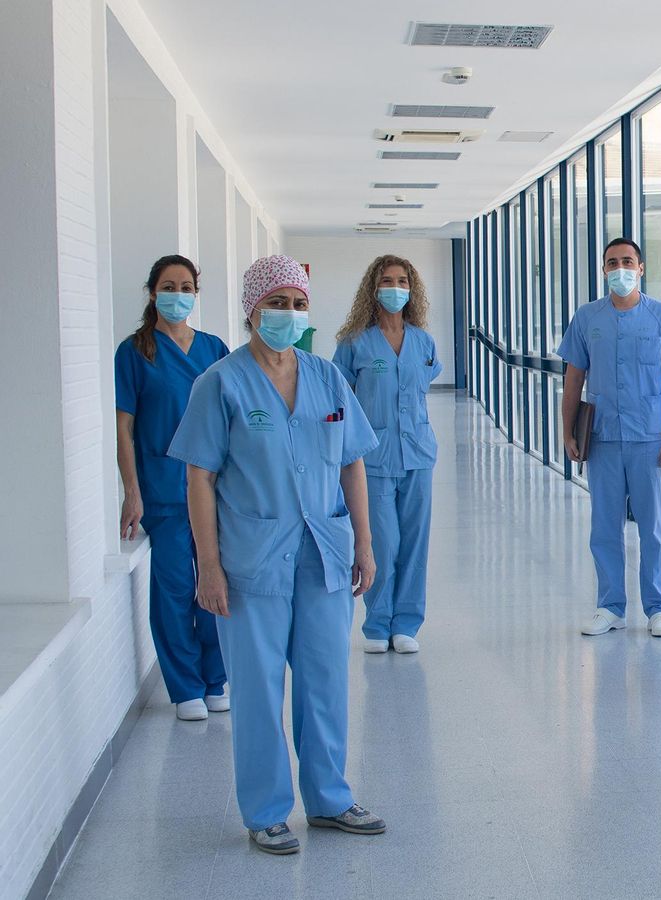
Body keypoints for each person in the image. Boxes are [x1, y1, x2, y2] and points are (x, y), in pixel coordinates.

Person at [169, 255, 386, 856]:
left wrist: (363, 544)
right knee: (260, 689)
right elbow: (199, 479)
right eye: (276, 303)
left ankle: (330, 799)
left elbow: (352, 462)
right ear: (251, 310)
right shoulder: (220, 382)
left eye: (296, 303)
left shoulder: (326, 377)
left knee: (325, 681)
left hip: (323, 556)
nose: (288, 314)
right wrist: (207, 567)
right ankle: (266, 811)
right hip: (251, 564)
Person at [114, 255, 231, 721]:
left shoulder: (214, 349)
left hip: (216, 491)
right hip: (162, 491)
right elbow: (124, 428)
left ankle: (216, 678)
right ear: (152, 293)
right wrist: (132, 491)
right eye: (169, 286)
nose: (178, 295)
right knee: (175, 589)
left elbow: (232, 421)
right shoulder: (136, 352)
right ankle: (184, 687)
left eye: (186, 287)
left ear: (196, 294)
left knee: (217, 582)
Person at [558, 238, 661, 637]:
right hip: (601, 439)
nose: (620, 268)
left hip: (650, 439)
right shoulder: (586, 318)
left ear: (641, 267)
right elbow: (573, 380)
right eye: (612, 262)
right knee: (604, 526)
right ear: (603, 270)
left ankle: (659, 607)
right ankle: (610, 605)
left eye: (627, 261)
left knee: (653, 527)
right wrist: (567, 432)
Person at [333, 255, 442, 655]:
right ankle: (377, 623)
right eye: (386, 281)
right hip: (372, 459)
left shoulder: (423, 341)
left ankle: (407, 624)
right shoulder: (354, 343)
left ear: (412, 289)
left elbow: (423, 384)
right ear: (372, 288)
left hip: (418, 453)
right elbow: (339, 397)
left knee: (415, 542)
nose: (394, 288)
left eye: (401, 281)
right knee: (382, 542)